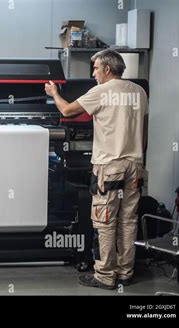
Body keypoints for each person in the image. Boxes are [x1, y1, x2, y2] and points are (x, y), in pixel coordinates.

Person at [45, 49, 148, 290]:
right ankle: (125, 272)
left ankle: (104, 275)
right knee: (128, 220)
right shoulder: (140, 92)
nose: (94, 74)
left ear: (108, 69)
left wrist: (54, 93)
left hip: (109, 166)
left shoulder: (101, 91)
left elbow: (68, 111)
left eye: (96, 69)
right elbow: (143, 132)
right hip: (135, 165)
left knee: (105, 221)